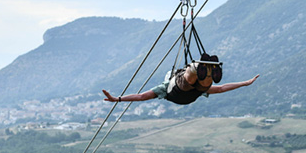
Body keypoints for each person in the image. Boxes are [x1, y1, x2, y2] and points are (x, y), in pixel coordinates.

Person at [103, 59, 259, 106]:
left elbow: (142, 96)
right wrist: (244, 83)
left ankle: (202, 69)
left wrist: (118, 99)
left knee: (194, 81)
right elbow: (221, 88)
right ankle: (205, 69)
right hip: (180, 90)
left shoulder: (165, 87)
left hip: (181, 92)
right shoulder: (167, 85)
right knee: (193, 80)